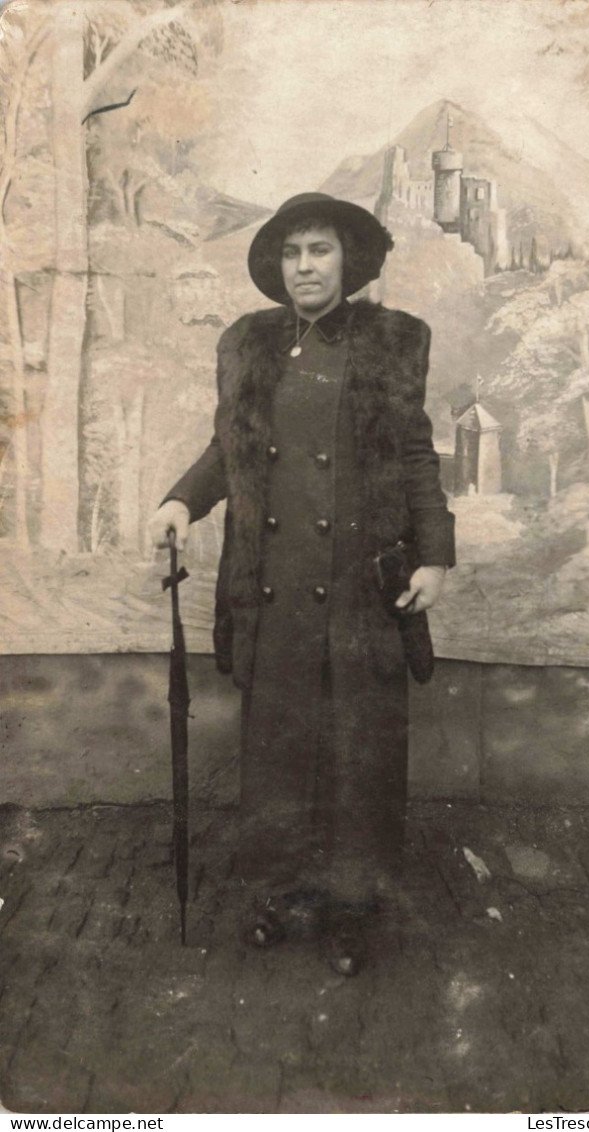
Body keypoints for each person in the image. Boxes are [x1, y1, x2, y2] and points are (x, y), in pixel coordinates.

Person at [148, 192, 455, 975]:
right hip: (273, 584)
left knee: (358, 752)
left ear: (346, 260)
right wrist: (183, 500)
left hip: (359, 587)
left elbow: (416, 454)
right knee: (279, 749)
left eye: (318, 251)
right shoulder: (249, 346)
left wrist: (433, 555)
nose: (305, 267)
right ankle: (284, 895)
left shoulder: (390, 342)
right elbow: (229, 448)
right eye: (291, 254)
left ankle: (352, 908)